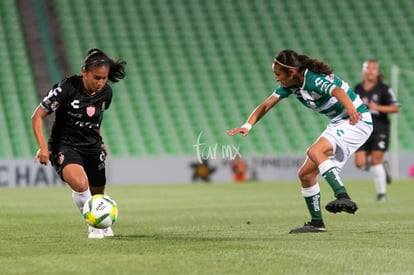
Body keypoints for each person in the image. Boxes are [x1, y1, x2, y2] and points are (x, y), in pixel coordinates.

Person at [228, 49, 373, 234]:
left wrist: (352, 110)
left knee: (314, 151)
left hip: (357, 120)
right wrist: (247, 125)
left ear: (292, 72)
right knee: (305, 174)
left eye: (278, 74)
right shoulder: (291, 85)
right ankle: (317, 223)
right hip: (340, 122)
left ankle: (343, 196)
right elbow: (266, 105)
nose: (276, 79)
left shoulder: (312, 79)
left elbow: (337, 90)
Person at [31, 48, 126, 238]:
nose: (100, 83)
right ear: (84, 71)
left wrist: (101, 142)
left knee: (98, 192)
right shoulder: (66, 88)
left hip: (92, 145)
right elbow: (37, 116)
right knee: (81, 184)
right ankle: (94, 225)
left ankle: (102, 220)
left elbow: (96, 120)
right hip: (65, 145)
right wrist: (43, 147)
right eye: (96, 77)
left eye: (104, 78)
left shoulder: (106, 93)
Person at [354, 60, 399, 202]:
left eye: (374, 69)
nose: (371, 71)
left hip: (380, 129)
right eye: (368, 68)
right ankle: (382, 170)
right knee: (360, 163)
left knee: (375, 160)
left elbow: (395, 107)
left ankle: (381, 194)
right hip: (362, 129)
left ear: (377, 71)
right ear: (364, 71)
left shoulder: (384, 89)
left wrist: (377, 107)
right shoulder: (358, 89)